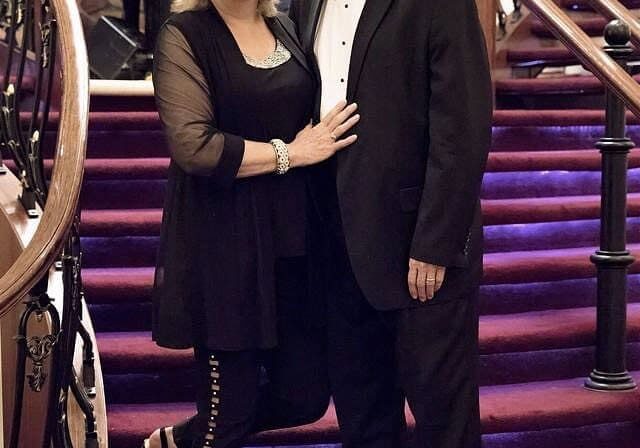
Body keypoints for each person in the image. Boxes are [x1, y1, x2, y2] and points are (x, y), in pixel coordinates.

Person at [146, 0, 359, 446]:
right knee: (229, 412)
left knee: (307, 396)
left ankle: (180, 441)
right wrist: (292, 153)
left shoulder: (284, 25)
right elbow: (194, 146)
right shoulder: (184, 34)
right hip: (226, 243)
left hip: (295, 238)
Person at [289, 0, 493, 447]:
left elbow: (463, 125)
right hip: (335, 244)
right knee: (364, 424)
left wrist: (435, 244)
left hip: (416, 250)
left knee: (446, 427)